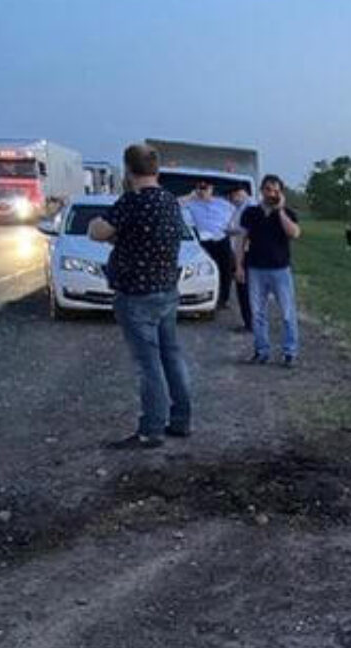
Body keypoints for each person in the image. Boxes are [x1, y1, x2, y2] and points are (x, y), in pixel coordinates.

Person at [88, 143, 191, 449]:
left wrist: (102, 225)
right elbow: (148, 236)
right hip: (166, 292)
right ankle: (181, 420)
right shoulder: (170, 201)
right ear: (156, 168)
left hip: (136, 297)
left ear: (128, 170)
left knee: (149, 366)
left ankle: (151, 430)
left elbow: (98, 232)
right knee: (171, 357)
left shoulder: (132, 201)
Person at [236, 174, 302, 367]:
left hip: (280, 270)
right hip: (255, 269)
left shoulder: (287, 213)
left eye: (276, 190)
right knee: (257, 313)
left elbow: (294, 233)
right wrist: (239, 266)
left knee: (287, 313)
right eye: (268, 190)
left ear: (281, 192)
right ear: (261, 191)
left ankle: (290, 352)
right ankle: (261, 351)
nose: (271, 194)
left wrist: (280, 210)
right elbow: (242, 240)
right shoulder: (251, 212)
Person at [180, 180, 236, 309]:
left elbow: (235, 215)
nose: (202, 190)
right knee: (206, 270)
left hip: (221, 238)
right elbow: (175, 204)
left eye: (205, 188)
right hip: (204, 241)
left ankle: (223, 299)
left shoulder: (222, 203)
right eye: (200, 187)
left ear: (211, 188)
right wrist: (191, 195)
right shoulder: (191, 204)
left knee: (226, 270)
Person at [226, 186, 254, 331]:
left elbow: (247, 231)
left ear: (240, 194)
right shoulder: (239, 208)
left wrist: (232, 231)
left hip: (245, 253)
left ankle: (250, 323)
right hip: (238, 251)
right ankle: (248, 321)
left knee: (245, 289)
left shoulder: (249, 207)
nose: (231, 199)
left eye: (232, 196)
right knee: (242, 289)